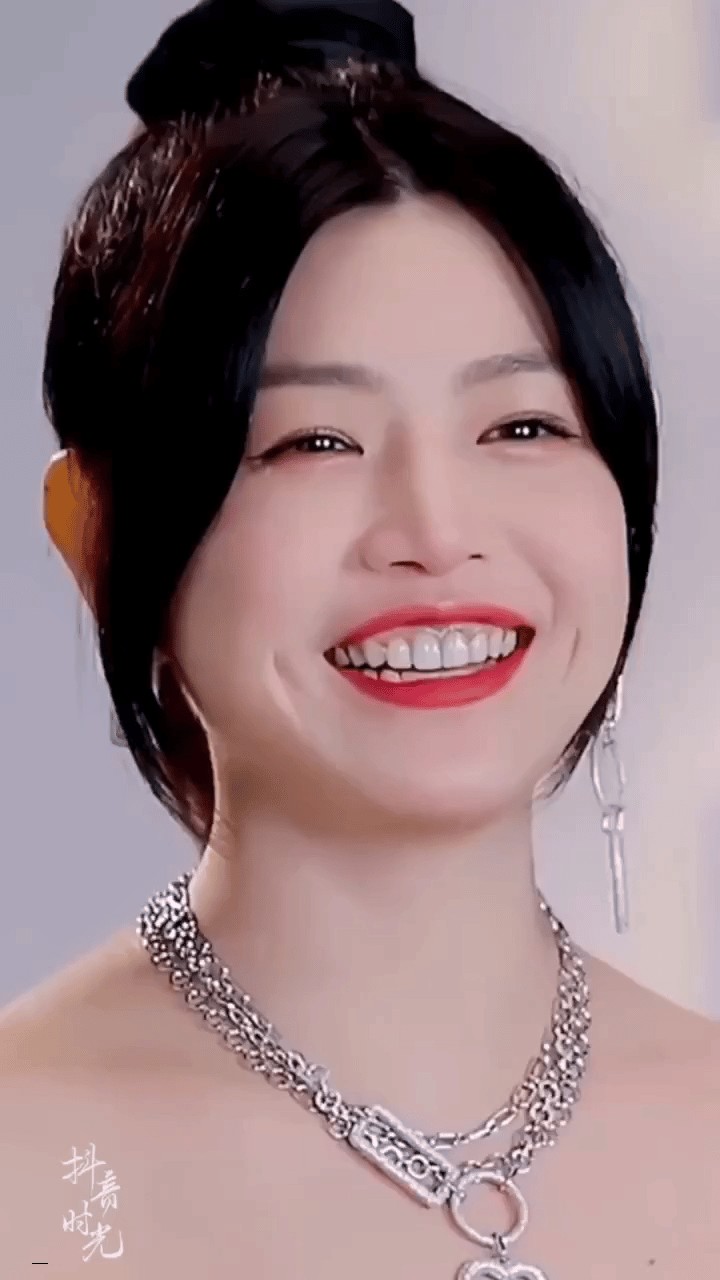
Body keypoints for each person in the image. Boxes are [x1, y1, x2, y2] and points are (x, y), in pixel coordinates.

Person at [1, 1, 718, 1275]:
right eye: (312, 442)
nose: (437, 535)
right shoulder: (32, 1171)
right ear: (99, 535)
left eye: (523, 426)